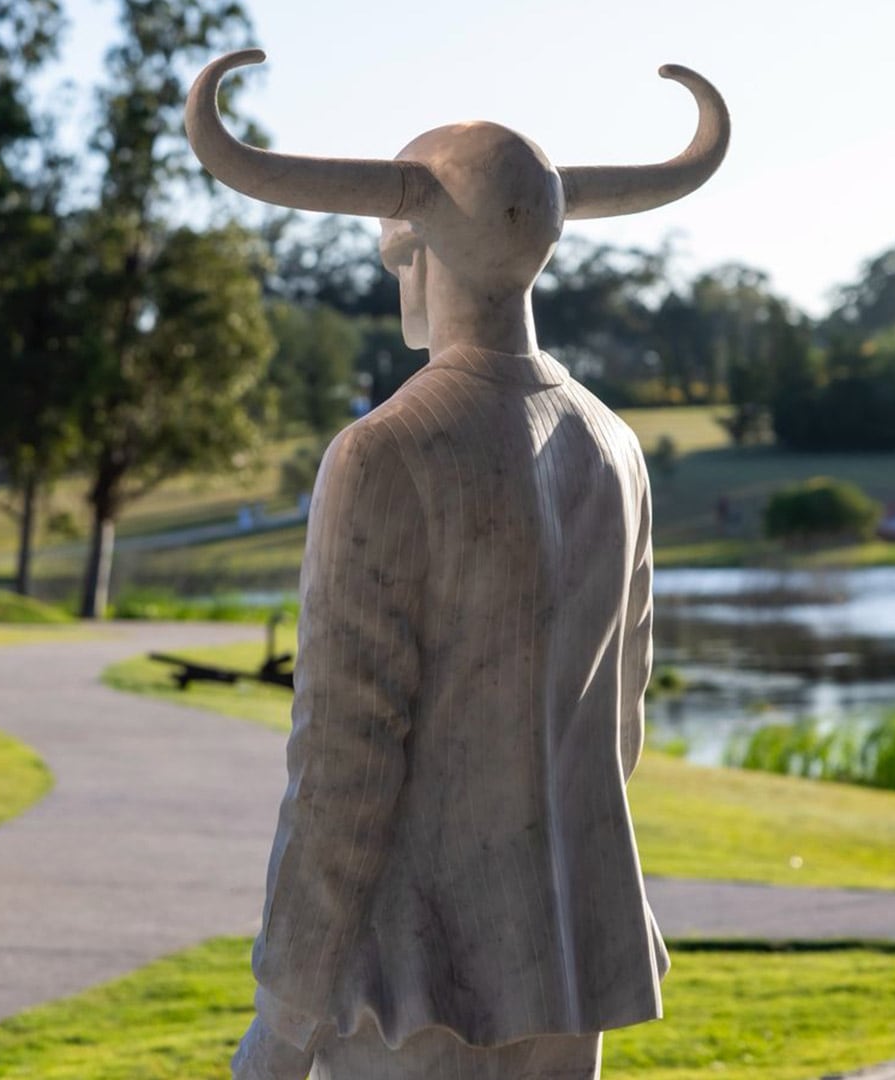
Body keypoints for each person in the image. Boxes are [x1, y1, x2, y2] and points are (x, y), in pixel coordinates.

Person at [185, 48, 730, 1080]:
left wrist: (290, 1006)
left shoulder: (386, 451)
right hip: (569, 958)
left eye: (395, 248)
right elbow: (620, 727)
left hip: (411, 979)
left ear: (417, 246)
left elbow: (346, 753)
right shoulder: (614, 446)